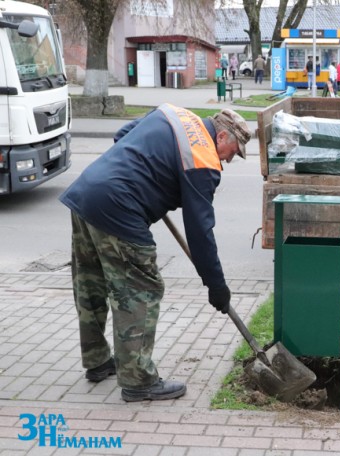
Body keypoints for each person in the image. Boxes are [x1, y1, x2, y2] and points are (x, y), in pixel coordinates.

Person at [59, 105, 251, 401]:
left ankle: (97, 362)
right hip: (119, 210)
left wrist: (150, 171)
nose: (228, 159)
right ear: (222, 135)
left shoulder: (174, 114)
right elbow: (200, 232)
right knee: (141, 291)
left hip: (87, 193)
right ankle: (138, 382)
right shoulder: (204, 159)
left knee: (91, 285)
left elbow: (122, 134)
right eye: (232, 151)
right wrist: (216, 286)